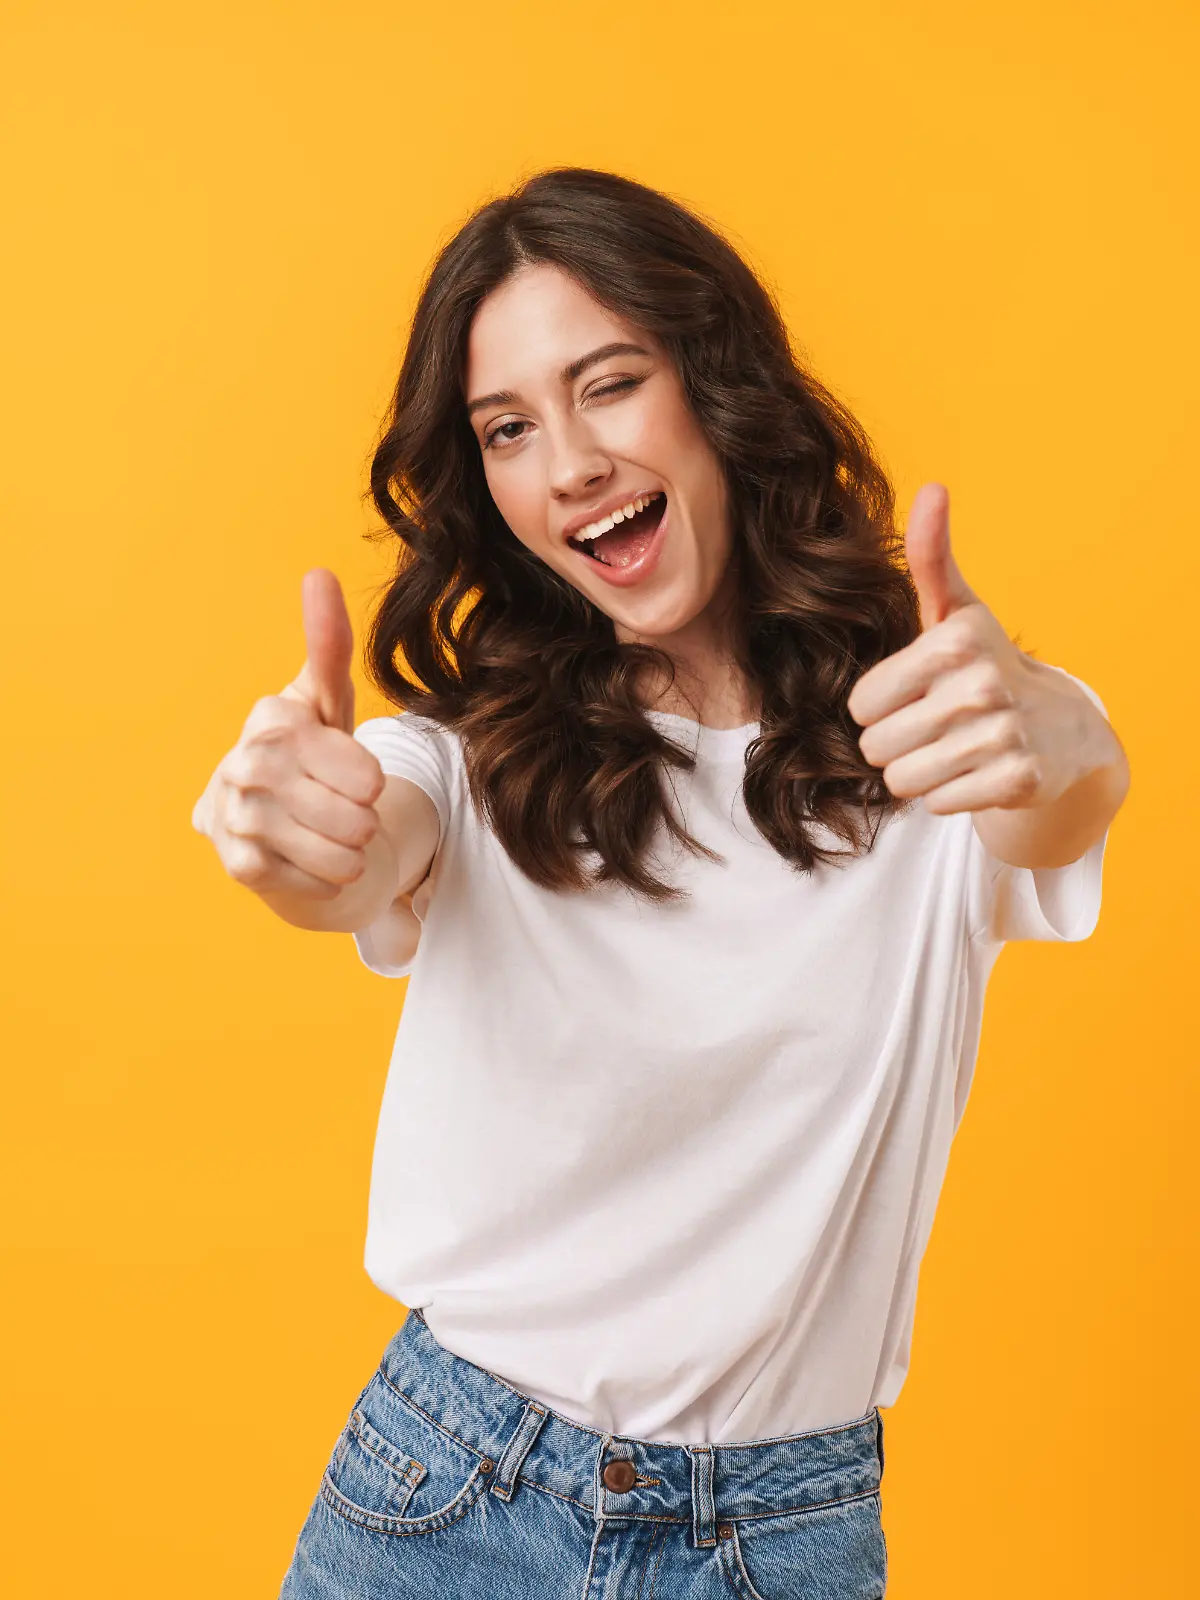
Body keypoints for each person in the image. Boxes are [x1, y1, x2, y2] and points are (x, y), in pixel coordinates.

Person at [192, 168, 1130, 1598]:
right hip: (448, 1496)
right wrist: (296, 838)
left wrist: (1075, 740)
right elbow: (363, 844)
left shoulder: (937, 731)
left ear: (716, 382)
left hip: (780, 1534)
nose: (569, 464)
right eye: (508, 429)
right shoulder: (465, 758)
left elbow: (1055, 799)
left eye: (610, 385)